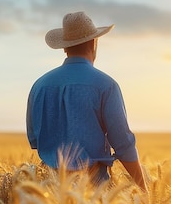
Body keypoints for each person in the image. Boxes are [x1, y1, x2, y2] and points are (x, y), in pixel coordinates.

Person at [26, 11, 147, 191]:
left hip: (49, 188)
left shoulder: (39, 86)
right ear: (94, 43)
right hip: (94, 188)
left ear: (65, 48)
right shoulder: (106, 85)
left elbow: (34, 139)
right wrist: (144, 189)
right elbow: (123, 144)